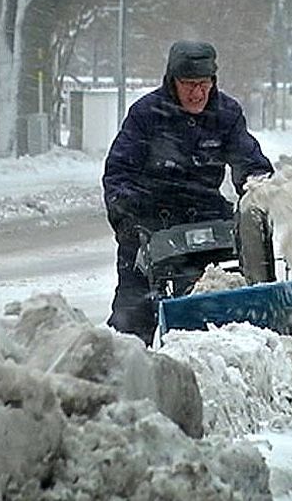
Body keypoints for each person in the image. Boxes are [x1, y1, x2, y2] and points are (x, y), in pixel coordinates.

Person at [102, 40, 274, 345]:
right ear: (172, 81)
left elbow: (249, 162)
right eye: (189, 84)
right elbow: (118, 174)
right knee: (133, 312)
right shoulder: (146, 115)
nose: (197, 93)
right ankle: (125, 367)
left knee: (241, 267)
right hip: (152, 219)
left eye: (204, 84)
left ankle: (252, 336)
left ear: (213, 81)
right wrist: (127, 215)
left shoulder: (226, 114)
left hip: (205, 214)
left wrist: (257, 189)